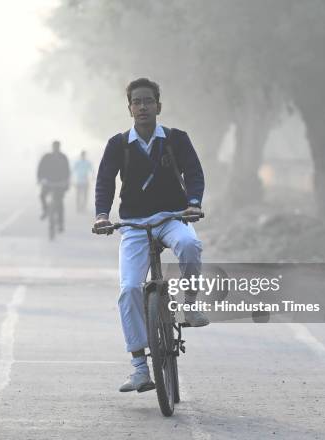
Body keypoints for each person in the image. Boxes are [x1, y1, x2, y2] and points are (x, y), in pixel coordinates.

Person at [92, 78, 209, 393]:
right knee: (129, 288)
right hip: (133, 224)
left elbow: (194, 173)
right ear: (129, 108)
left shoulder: (176, 139)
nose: (142, 107)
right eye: (136, 102)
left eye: (148, 101)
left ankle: (191, 302)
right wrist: (102, 215)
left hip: (172, 217)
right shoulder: (118, 144)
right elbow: (105, 181)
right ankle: (140, 368)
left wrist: (194, 204)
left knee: (189, 244)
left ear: (159, 105)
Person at [37, 140, 70, 231]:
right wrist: (39, 179)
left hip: (60, 183)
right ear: (52, 147)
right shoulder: (46, 157)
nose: (56, 148)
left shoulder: (63, 157)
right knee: (42, 195)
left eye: (57, 147)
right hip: (48, 182)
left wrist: (66, 183)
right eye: (54, 147)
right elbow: (40, 168)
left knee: (59, 203)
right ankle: (45, 210)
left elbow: (67, 171)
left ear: (59, 147)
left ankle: (60, 223)